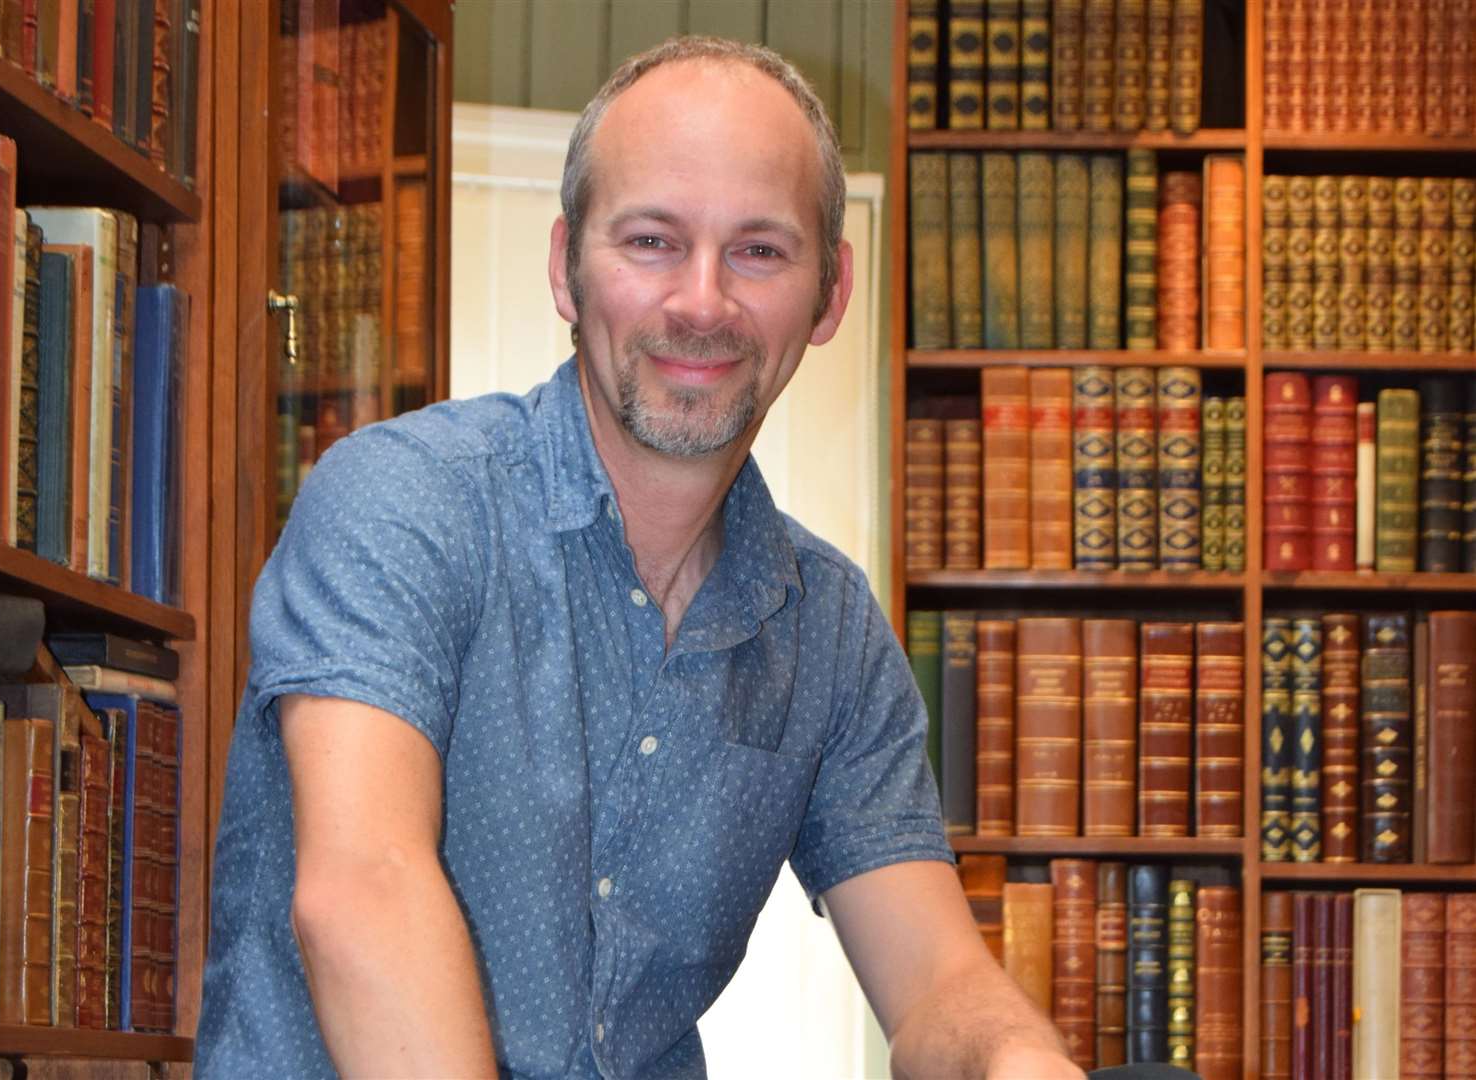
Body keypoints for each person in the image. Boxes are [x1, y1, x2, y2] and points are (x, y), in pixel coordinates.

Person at [194, 36, 1082, 1080]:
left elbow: (938, 985)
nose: (701, 303)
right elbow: (361, 892)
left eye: (758, 250)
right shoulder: (406, 500)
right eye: (652, 241)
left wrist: (1023, 1061)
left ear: (830, 294)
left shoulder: (829, 630)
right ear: (568, 268)